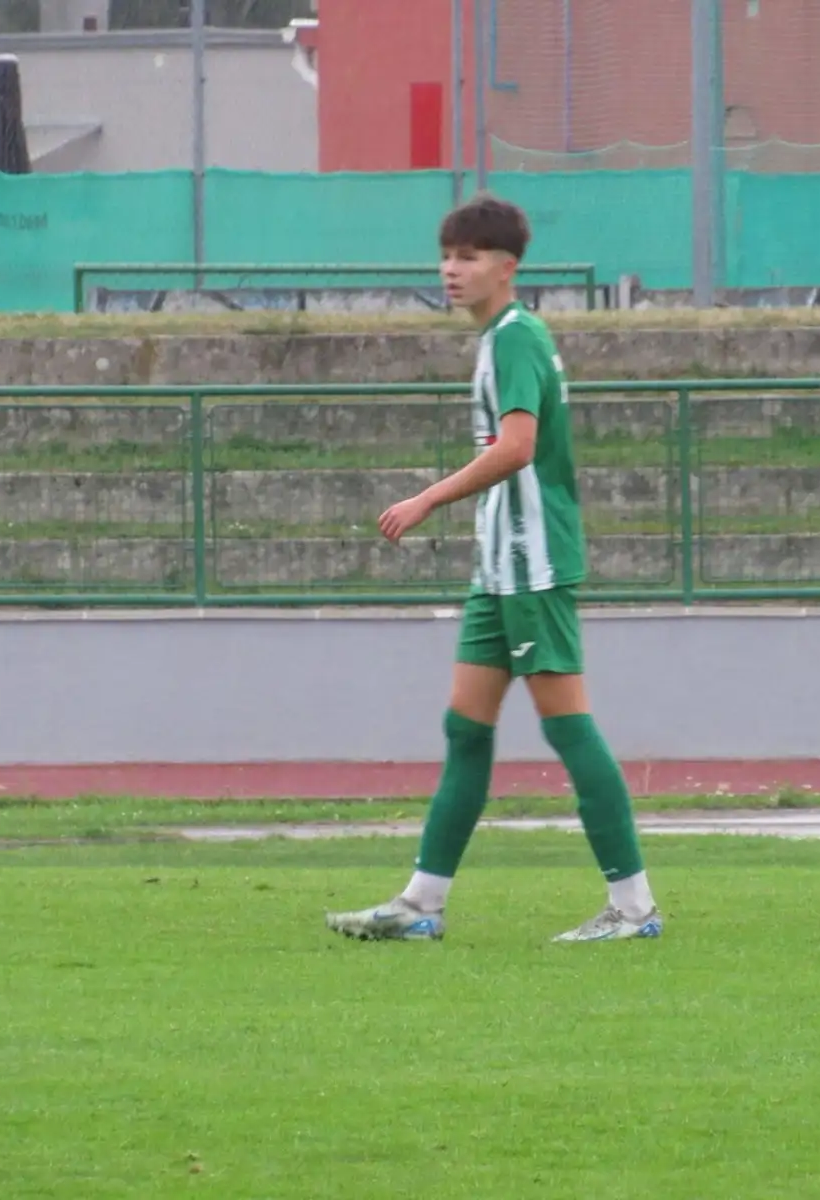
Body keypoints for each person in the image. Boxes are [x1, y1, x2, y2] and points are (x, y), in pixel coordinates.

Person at [324, 194, 662, 945]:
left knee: (569, 728)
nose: (451, 270)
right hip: (499, 571)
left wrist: (426, 499)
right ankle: (422, 904)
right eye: (446, 256)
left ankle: (634, 908)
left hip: (532, 566)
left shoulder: (516, 337)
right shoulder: (498, 339)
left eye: (469, 257)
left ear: (507, 267)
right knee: (466, 728)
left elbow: (517, 447)